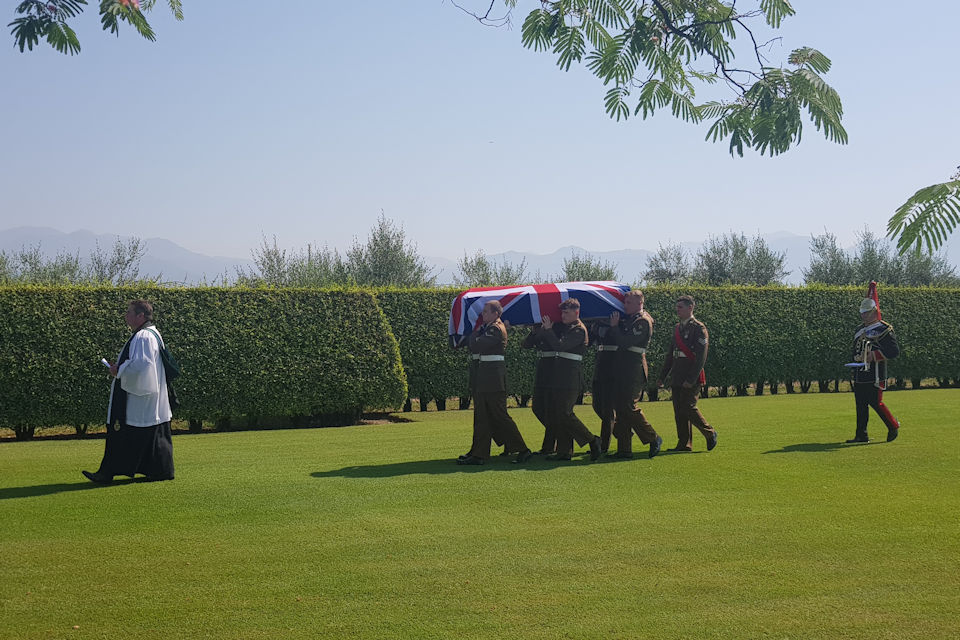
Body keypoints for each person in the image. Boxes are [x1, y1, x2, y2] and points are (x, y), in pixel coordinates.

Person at [82, 300, 175, 484]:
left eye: (129, 312)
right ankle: (159, 470)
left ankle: (107, 473)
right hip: (149, 398)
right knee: (151, 434)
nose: (126, 315)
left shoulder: (143, 337)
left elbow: (141, 365)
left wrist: (119, 370)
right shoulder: (152, 334)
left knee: (123, 432)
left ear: (141, 316)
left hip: (139, 398)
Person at [458, 301, 532, 465]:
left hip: (492, 380)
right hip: (486, 379)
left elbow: (477, 346)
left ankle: (522, 449)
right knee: (482, 417)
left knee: (499, 416)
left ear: (496, 314)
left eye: (486, 312)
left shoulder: (495, 329)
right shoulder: (489, 328)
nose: (482, 314)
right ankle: (479, 453)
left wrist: (473, 334)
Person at [527, 298, 602, 462]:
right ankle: (564, 450)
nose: (563, 316)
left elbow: (559, 346)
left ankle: (592, 439)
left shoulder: (578, 330)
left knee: (565, 413)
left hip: (569, 378)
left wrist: (547, 330)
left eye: (566, 313)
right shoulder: (567, 328)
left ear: (577, 312)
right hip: (559, 376)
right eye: (561, 313)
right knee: (558, 414)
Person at [657, 295, 717, 453]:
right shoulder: (677, 328)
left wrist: (691, 379)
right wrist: (662, 376)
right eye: (677, 307)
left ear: (690, 307)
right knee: (679, 411)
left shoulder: (699, 328)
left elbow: (701, 357)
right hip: (677, 374)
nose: (677, 310)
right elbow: (671, 355)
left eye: (680, 307)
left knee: (689, 407)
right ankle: (684, 443)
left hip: (691, 375)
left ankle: (709, 433)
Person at [608, 290, 662, 459]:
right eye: (625, 302)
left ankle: (653, 437)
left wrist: (615, 327)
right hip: (623, 367)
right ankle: (624, 449)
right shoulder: (631, 319)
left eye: (629, 303)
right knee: (621, 408)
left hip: (633, 368)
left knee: (629, 406)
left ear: (640, 303)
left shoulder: (643, 321)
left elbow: (625, 342)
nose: (625, 306)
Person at [847, 297, 900, 443]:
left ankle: (893, 425)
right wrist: (857, 357)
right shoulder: (859, 329)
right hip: (860, 373)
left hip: (875, 373)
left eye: (866, 313)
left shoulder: (884, 329)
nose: (863, 315)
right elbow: (856, 349)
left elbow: (894, 351)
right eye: (862, 313)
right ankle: (861, 435)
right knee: (861, 405)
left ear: (874, 312)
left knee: (876, 402)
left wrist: (873, 356)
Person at [522, 316, 560, 455]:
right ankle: (559, 434)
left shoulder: (559, 326)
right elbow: (526, 345)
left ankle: (549, 446)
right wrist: (533, 331)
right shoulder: (538, 328)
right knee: (538, 407)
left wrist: (548, 329)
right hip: (542, 368)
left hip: (554, 368)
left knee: (551, 410)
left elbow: (558, 345)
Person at [588, 319, 617, 454]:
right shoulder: (597, 324)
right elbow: (588, 343)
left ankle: (604, 445)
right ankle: (621, 431)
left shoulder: (618, 322)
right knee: (597, 406)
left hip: (612, 366)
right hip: (600, 365)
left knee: (607, 410)